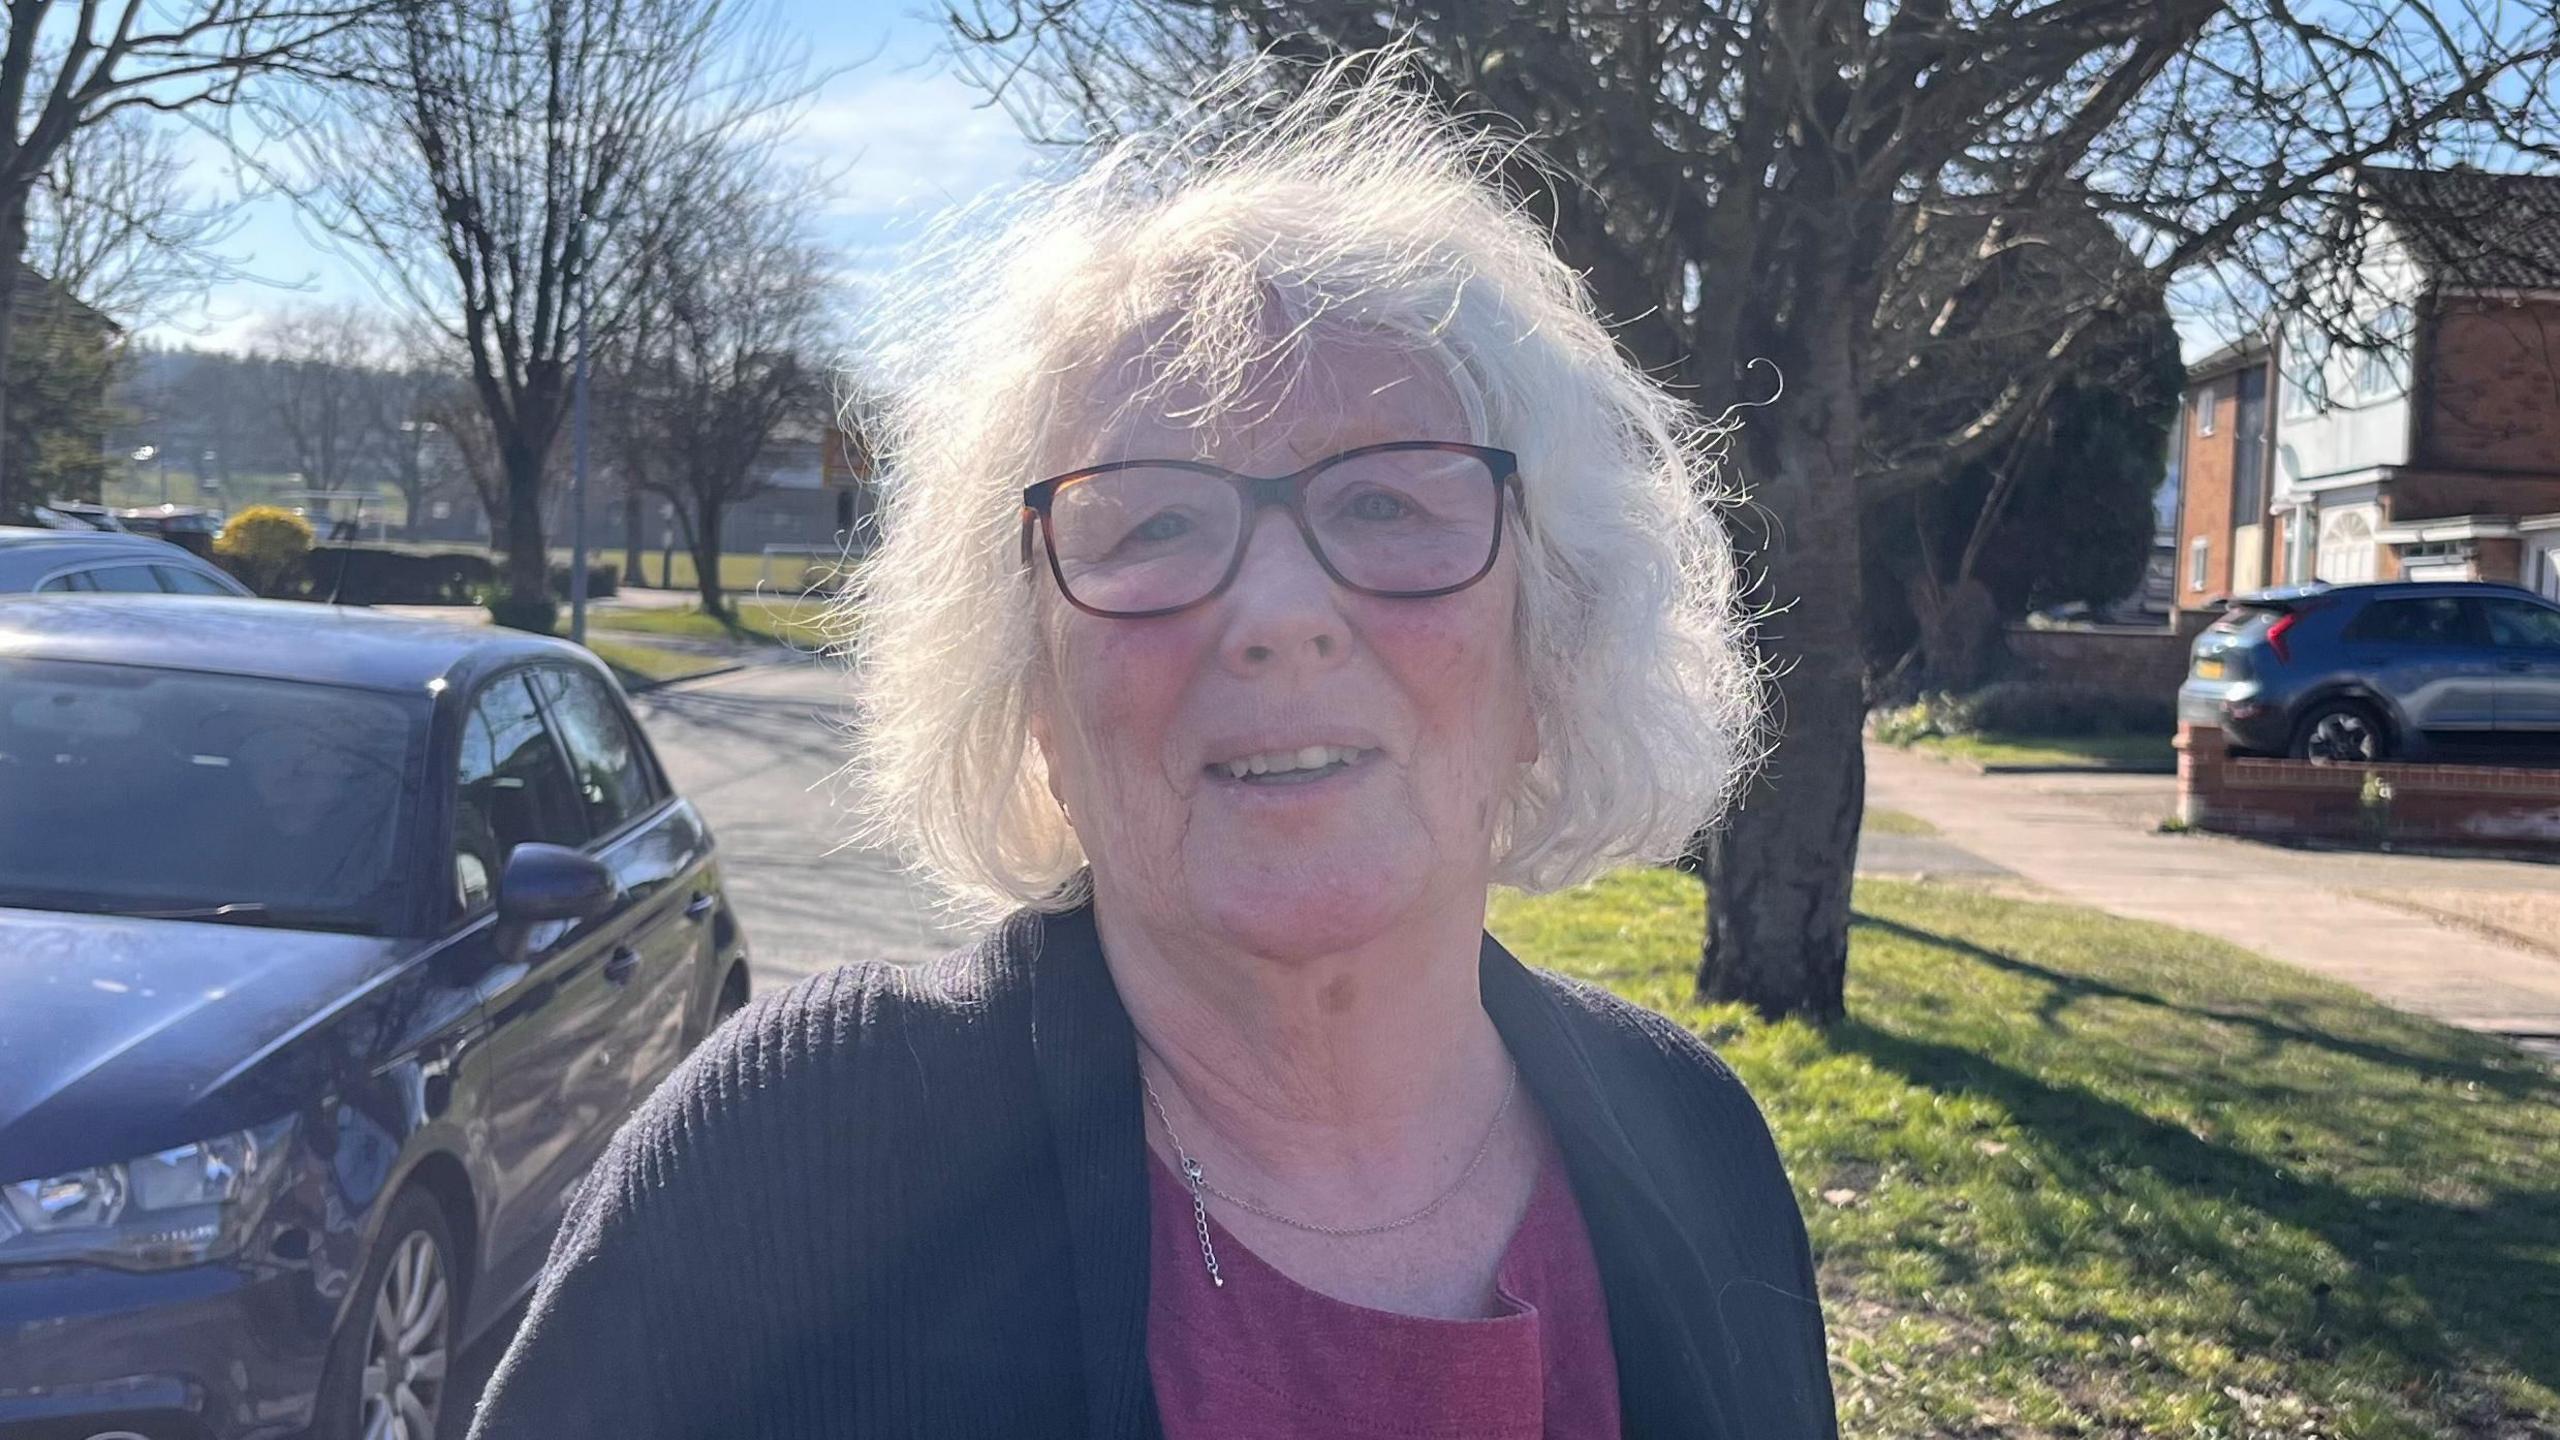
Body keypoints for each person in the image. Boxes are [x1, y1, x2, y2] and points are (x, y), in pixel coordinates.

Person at [470, 55, 1833, 1440]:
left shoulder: (1700, 1152)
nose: (1280, 614)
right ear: (1036, 699)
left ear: (1552, 649)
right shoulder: (786, 1167)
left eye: (1387, 505)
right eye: (1154, 526)